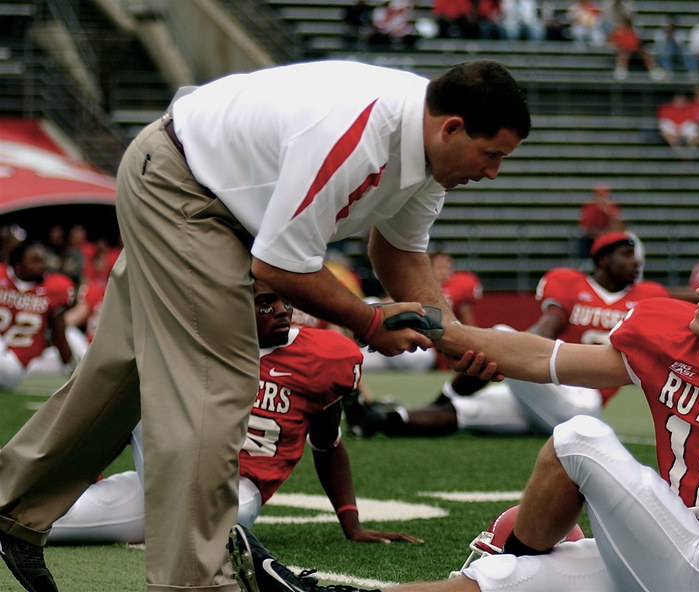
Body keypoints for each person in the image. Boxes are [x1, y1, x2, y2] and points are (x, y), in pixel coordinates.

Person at [0, 59, 529, 592]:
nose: (491, 173)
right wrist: (369, 321)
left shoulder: (429, 148)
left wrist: (452, 339)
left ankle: (11, 509)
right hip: (185, 187)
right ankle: (198, 580)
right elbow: (279, 268)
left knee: (120, 374)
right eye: (492, 156)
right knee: (216, 382)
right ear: (452, 128)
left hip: (207, 190)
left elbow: (399, 250)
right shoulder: (360, 135)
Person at [233, 241, 699, 592]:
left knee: (580, 435)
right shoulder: (669, 338)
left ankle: (520, 544)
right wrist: (439, 328)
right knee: (482, 588)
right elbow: (539, 357)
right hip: (656, 549)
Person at [47, 280, 420, 546]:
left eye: (284, 301)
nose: (280, 311)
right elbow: (125, 417)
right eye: (264, 304)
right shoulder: (201, 343)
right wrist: (84, 473)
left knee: (219, 523)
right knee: (43, 523)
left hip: (234, 491)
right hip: (164, 476)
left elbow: (327, 442)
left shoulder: (324, 356)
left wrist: (350, 521)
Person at [347, 232, 668, 437]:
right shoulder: (569, 282)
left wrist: (514, 352)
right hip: (545, 389)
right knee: (467, 413)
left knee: (500, 336)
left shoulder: (649, 294)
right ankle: (377, 422)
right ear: (602, 259)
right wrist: (522, 358)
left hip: (582, 399)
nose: (636, 261)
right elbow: (548, 327)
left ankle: (445, 393)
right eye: (626, 254)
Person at [0, 241, 81, 390]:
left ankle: (81, 374)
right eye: (35, 261)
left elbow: (59, 333)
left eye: (43, 260)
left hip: (22, 363)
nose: (42, 265)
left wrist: (70, 366)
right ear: (18, 265)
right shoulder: (2, 276)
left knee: (74, 336)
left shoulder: (54, 287)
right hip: (4, 350)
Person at [608, 16, 667, 81]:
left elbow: (637, 43)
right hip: (623, 51)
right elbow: (609, 42)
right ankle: (621, 70)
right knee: (623, 53)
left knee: (645, 52)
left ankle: (654, 70)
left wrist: (638, 48)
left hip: (634, 51)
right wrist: (616, 47)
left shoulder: (634, 31)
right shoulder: (617, 31)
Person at [432, 252, 482, 326]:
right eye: (439, 268)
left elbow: (467, 319)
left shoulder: (459, 285)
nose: (443, 272)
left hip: (452, 327)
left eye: (446, 268)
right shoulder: (422, 285)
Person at [576, 181, 622, 259]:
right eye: (599, 196)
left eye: (604, 196)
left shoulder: (612, 207)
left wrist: (608, 212)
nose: (601, 198)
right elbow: (585, 228)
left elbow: (618, 226)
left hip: (607, 238)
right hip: (592, 238)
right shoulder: (589, 207)